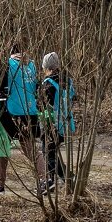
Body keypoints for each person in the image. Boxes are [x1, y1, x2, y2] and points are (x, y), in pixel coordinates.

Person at [0, 41, 45, 193]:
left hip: (10, 112)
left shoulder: (7, 64)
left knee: (0, 145)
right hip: (30, 111)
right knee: (30, 148)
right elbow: (36, 87)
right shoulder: (32, 66)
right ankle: (46, 178)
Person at [39, 51, 75, 189]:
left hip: (51, 124)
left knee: (48, 153)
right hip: (65, 122)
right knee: (53, 153)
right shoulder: (67, 80)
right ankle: (65, 178)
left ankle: (57, 180)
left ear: (48, 67)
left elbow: (41, 106)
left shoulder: (48, 84)